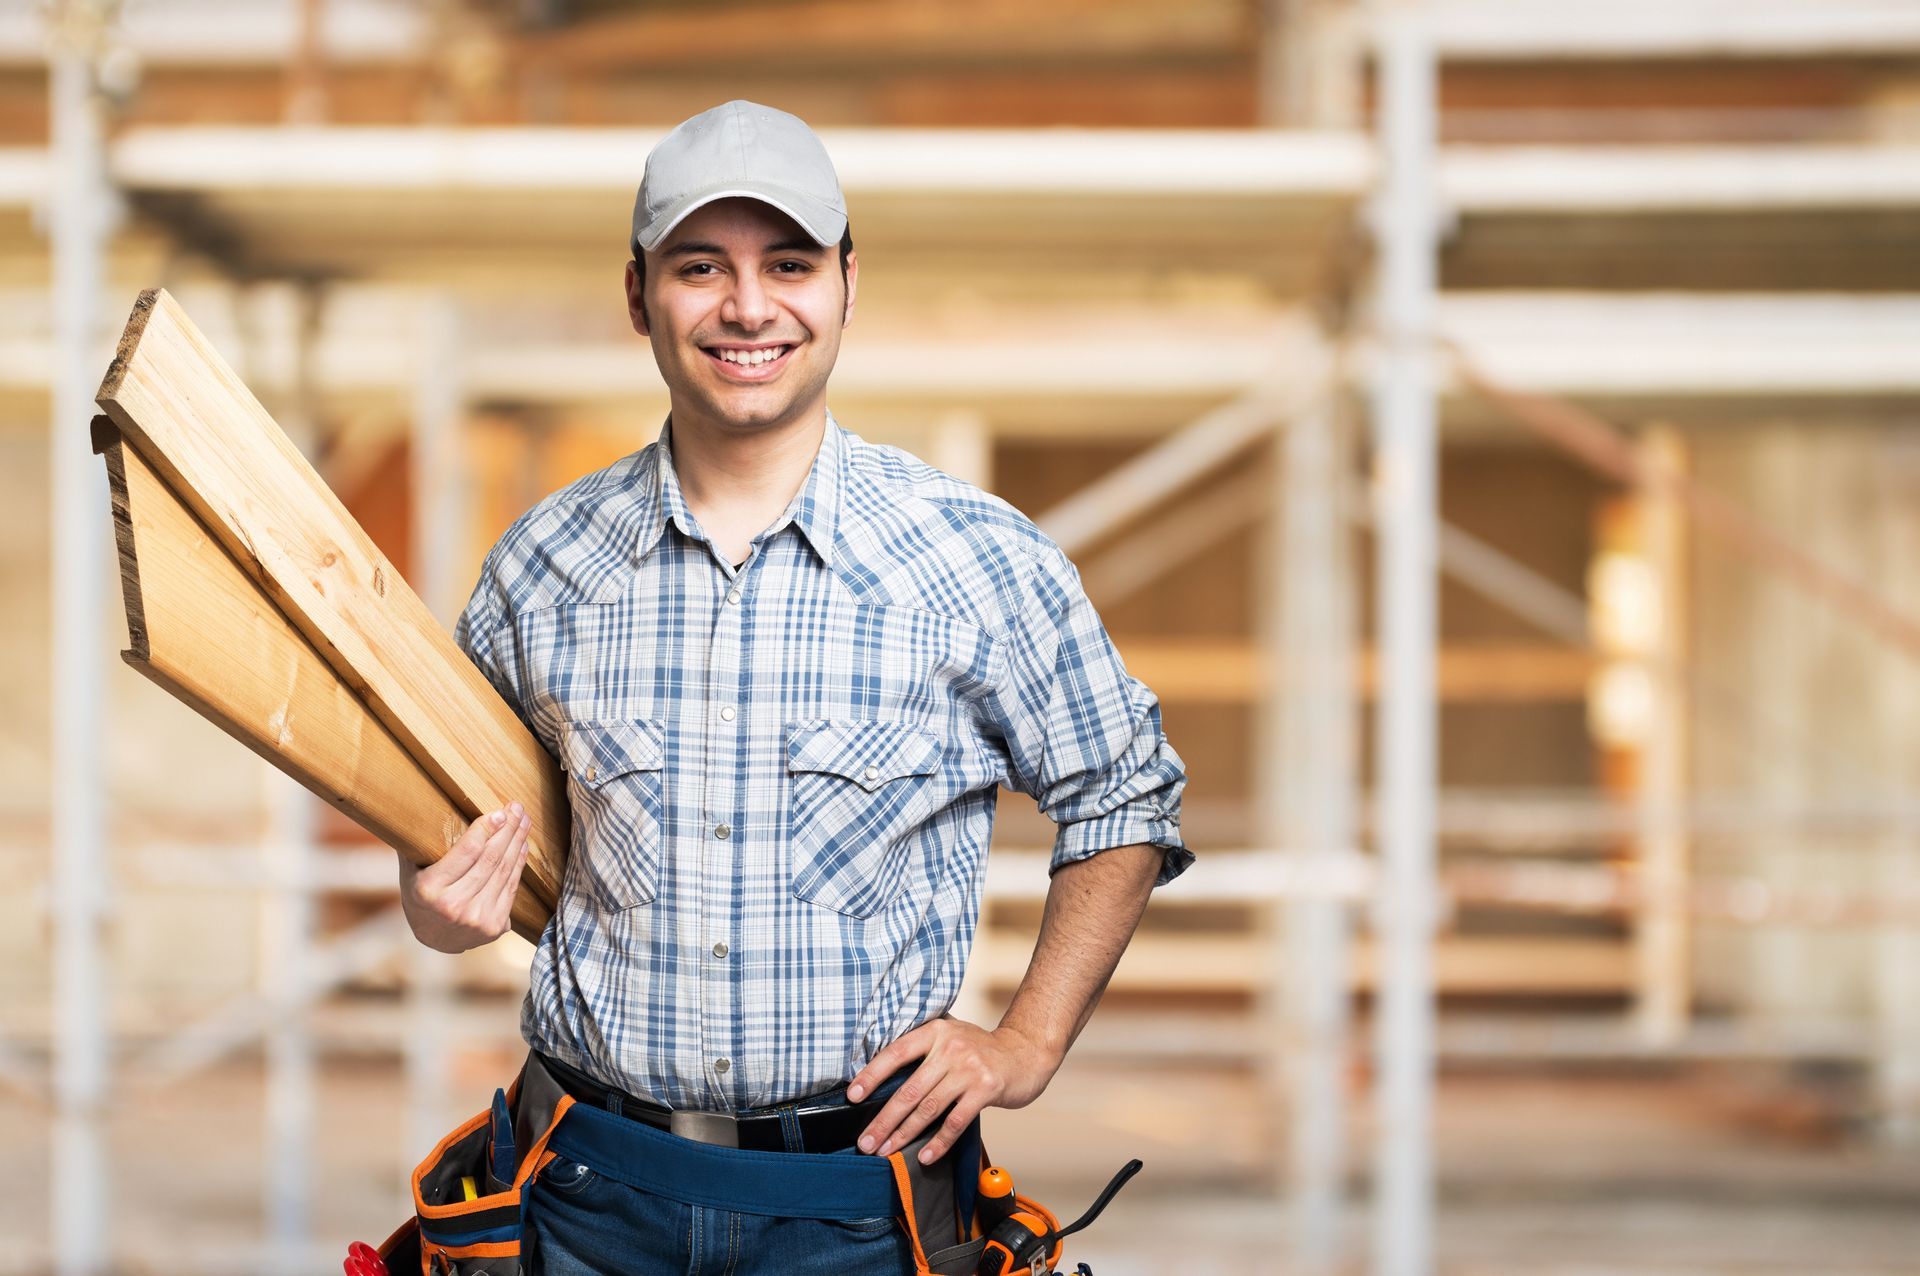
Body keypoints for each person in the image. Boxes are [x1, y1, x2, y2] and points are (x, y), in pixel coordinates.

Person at [396, 99, 1191, 1273]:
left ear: (847, 285)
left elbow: (1125, 793)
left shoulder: (973, 560)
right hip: (586, 1196)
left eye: (789, 264)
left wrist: (1024, 1045)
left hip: (858, 1209)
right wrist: (433, 907)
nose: (749, 307)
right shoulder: (541, 567)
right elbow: (435, 844)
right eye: (699, 266)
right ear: (638, 295)